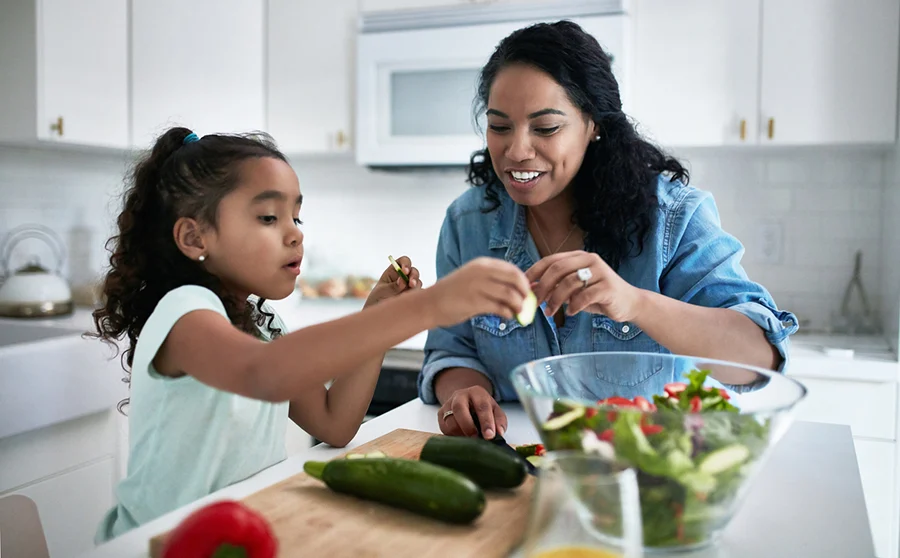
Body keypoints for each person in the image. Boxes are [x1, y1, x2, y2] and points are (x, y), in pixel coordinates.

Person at [90, 127, 531, 541]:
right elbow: (262, 374)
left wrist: (377, 316)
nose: (294, 236)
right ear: (194, 237)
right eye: (268, 217)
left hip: (236, 531)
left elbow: (334, 423)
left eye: (297, 218)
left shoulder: (264, 327)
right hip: (153, 543)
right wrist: (429, 306)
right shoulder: (185, 311)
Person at [418, 21, 799, 441]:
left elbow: (758, 358)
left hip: (645, 472)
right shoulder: (467, 223)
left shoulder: (672, 218)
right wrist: (466, 390)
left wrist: (635, 303)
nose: (516, 151)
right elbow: (451, 349)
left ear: (594, 124)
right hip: (514, 467)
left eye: (545, 128)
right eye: (500, 126)